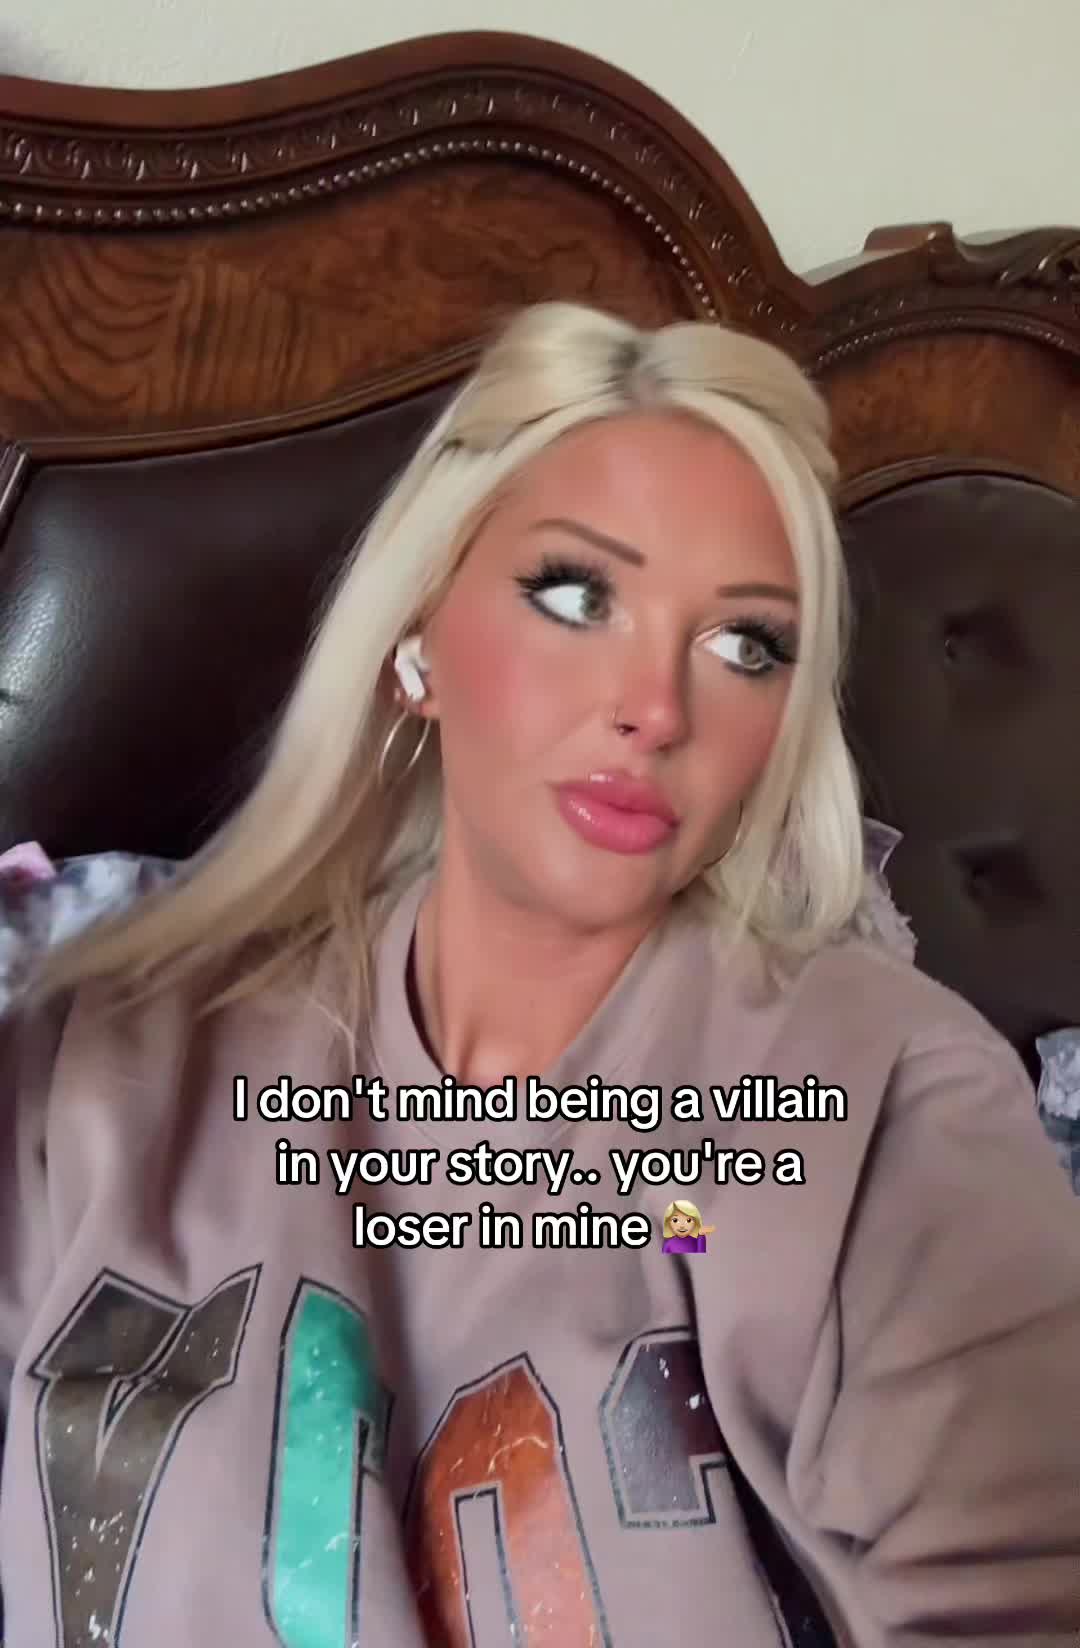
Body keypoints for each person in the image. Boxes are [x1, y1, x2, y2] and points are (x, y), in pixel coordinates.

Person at [0, 303, 1077, 1648]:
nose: (657, 710)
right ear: (419, 640)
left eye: (747, 644)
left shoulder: (884, 1100)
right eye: (576, 595)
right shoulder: (106, 1057)